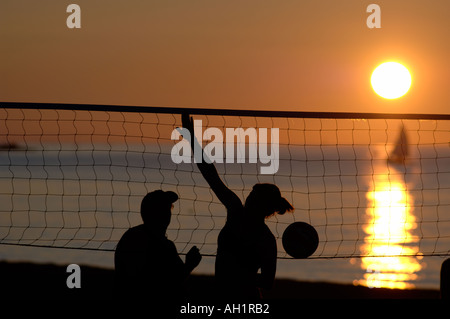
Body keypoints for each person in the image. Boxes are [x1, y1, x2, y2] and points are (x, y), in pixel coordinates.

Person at [180, 113, 294, 299]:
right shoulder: (235, 209)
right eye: (250, 194)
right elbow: (211, 175)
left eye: (252, 197)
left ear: (262, 206)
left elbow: (267, 282)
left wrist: (239, 275)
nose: (247, 198)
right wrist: (191, 138)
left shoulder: (265, 240)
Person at [114, 190, 202, 301]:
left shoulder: (133, 236)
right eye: (162, 208)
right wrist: (189, 265)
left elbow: (174, 277)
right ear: (151, 212)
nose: (167, 212)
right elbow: (161, 284)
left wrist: (189, 265)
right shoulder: (138, 239)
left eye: (169, 207)